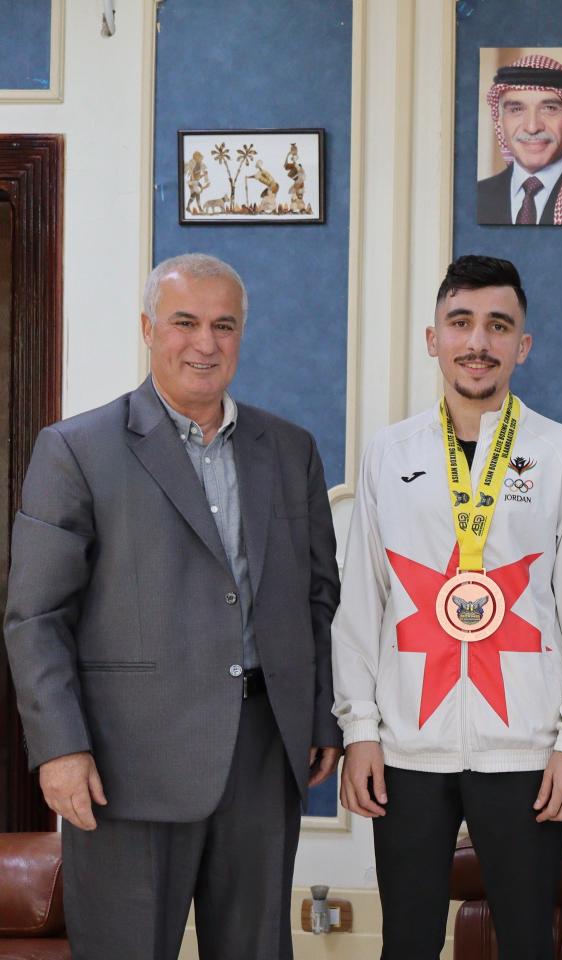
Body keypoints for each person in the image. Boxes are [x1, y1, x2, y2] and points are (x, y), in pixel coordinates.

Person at [3, 253, 342, 960]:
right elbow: (37, 616)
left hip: (262, 752)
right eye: (185, 322)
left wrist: (318, 716)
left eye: (224, 325)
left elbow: (316, 595)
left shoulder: (290, 449)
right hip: (125, 762)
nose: (205, 343)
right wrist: (60, 747)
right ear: (148, 329)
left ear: (242, 334)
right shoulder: (75, 449)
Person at [332, 255, 562, 959]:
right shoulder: (387, 453)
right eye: (460, 323)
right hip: (405, 746)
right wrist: (359, 728)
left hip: (527, 747)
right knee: (405, 943)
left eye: (498, 325)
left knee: (526, 941)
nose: (478, 342)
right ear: (433, 338)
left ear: (523, 345)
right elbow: (362, 598)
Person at [477, 55, 562, 226]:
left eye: (549, 108)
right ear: (500, 122)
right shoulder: (477, 195)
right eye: (516, 109)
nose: (532, 127)